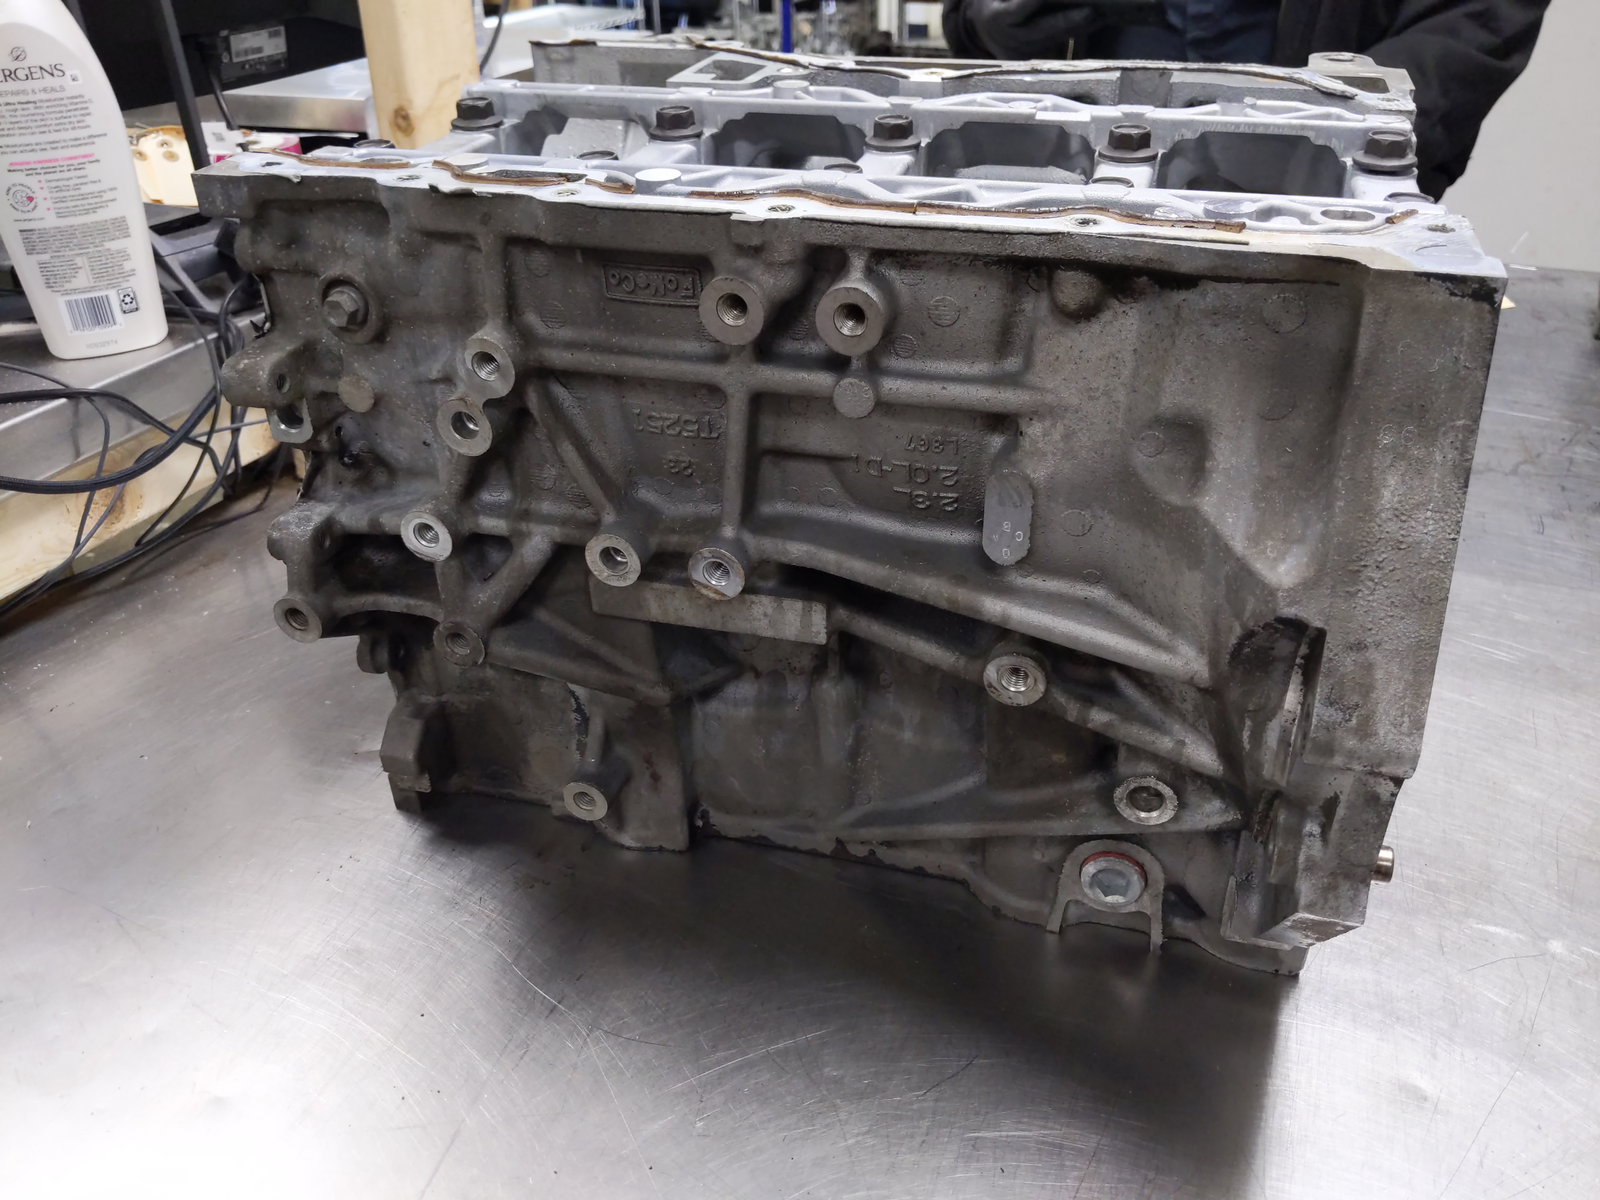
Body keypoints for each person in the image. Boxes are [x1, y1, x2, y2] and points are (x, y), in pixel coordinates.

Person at [939, 0, 1550, 198]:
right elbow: (971, 15)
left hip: (1308, 209)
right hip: (1064, 190)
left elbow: (1476, 20)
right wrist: (977, 21)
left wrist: (1342, 132)